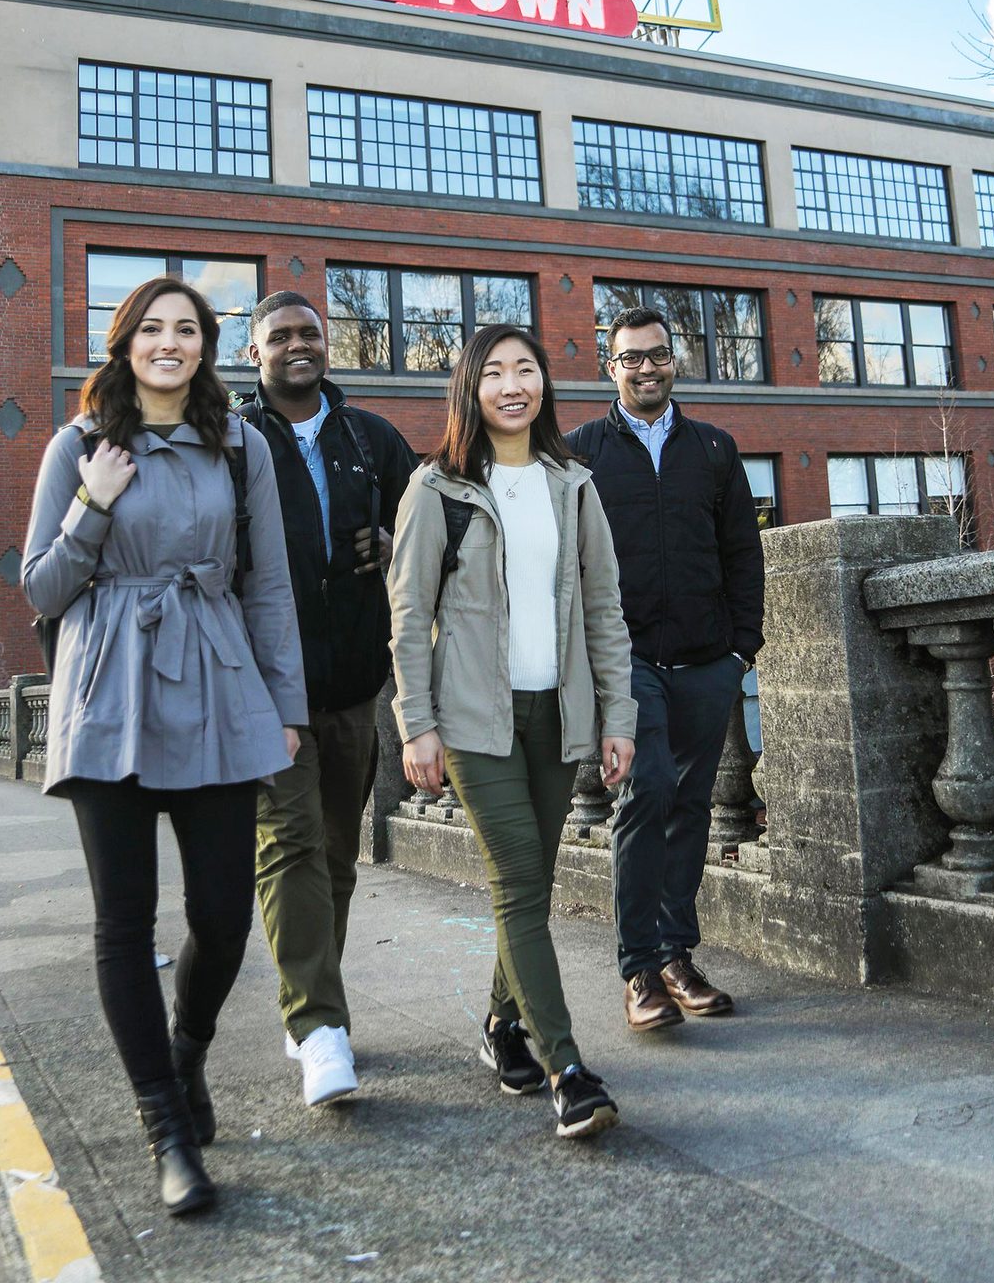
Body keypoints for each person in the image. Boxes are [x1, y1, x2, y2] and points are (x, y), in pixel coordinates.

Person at [22, 277, 307, 1217]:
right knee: (123, 921)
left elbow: (266, 586)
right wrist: (92, 505)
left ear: (208, 347)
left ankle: (186, 1054)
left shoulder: (243, 447)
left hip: (220, 681)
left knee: (225, 913)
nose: (169, 343)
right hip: (109, 688)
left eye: (187, 330)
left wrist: (285, 704)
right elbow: (42, 590)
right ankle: (167, 1131)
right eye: (152, 328)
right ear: (124, 341)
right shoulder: (78, 446)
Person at [388, 324, 636, 1140]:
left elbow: (604, 611)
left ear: (544, 385)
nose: (512, 384)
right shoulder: (438, 490)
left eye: (525, 368)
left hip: (555, 717)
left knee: (526, 884)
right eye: (493, 372)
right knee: (521, 880)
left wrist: (616, 716)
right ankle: (567, 1066)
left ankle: (501, 1025)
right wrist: (416, 725)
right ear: (471, 389)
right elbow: (409, 615)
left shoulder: (575, 485)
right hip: (472, 723)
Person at [237, 291, 417, 1107]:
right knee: (290, 847)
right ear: (255, 353)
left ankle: (313, 1002)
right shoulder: (233, 441)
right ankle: (318, 1027)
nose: (298, 345)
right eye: (281, 336)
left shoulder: (371, 439)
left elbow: (428, 539)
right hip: (269, 693)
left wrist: (390, 544)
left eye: (310, 332)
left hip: (352, 687)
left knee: (338, 855)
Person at [567, 305, 765, 1033]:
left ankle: (679, 958)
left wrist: (744, 646)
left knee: (692, 806)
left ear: (673, 362)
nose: (645, 368)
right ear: (608, 366)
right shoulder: (581, 450)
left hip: (708, 660)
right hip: (626, 660)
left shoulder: (714, 448)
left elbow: (743, 550)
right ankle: (640, 969)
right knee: (646, 791)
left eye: (657, 356)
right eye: (630, 358)